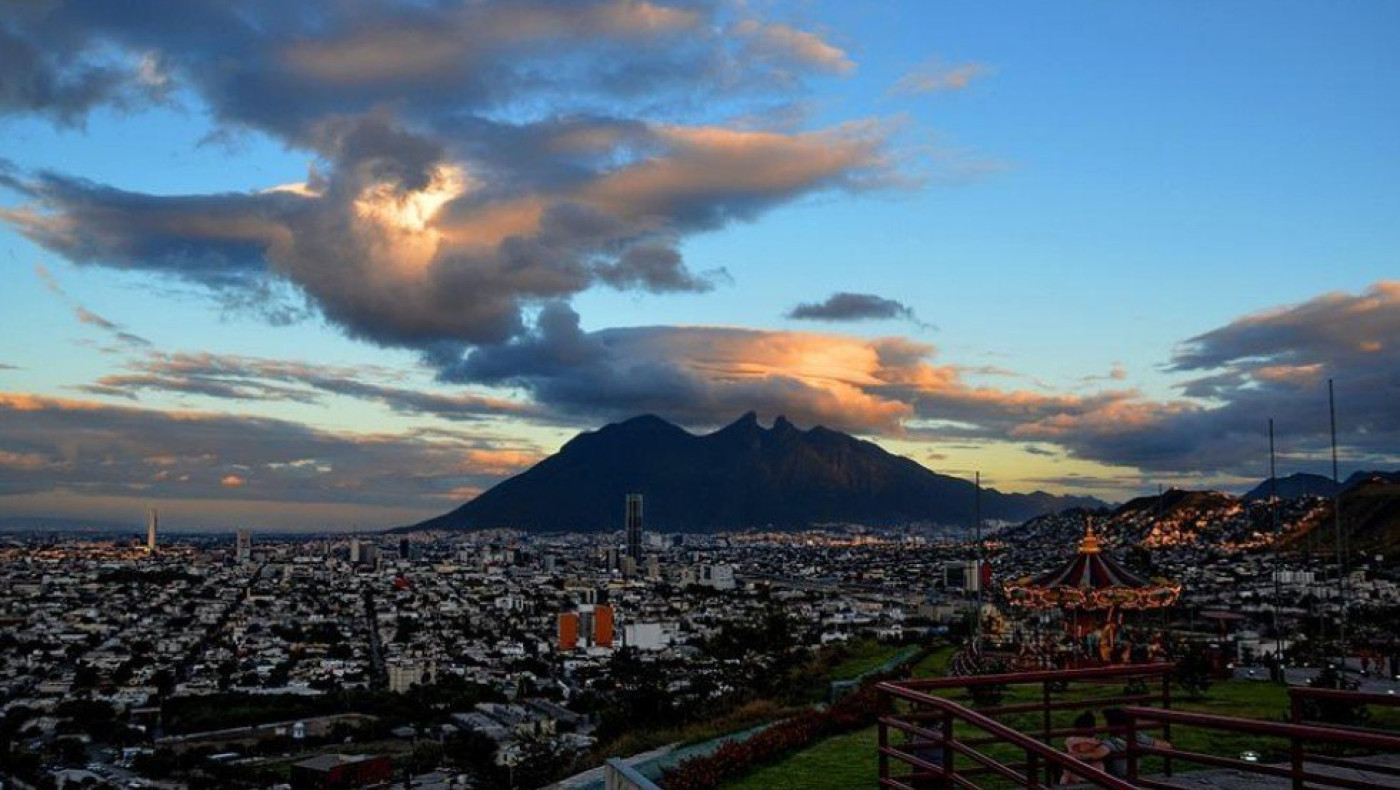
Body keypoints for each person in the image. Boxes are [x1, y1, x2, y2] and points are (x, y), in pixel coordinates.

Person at [1100, 708, 1172, 778]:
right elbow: (1167, 745)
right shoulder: (1136, 735)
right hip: (1131, 773)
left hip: (1116, 776)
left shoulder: (1112, 741)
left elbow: (1099, 752)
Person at [1061, 711, 1110, 784]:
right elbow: (1105, 751)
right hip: (1096, 775)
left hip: (1075, 775)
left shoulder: (1070, 740)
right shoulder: (1095, 742)